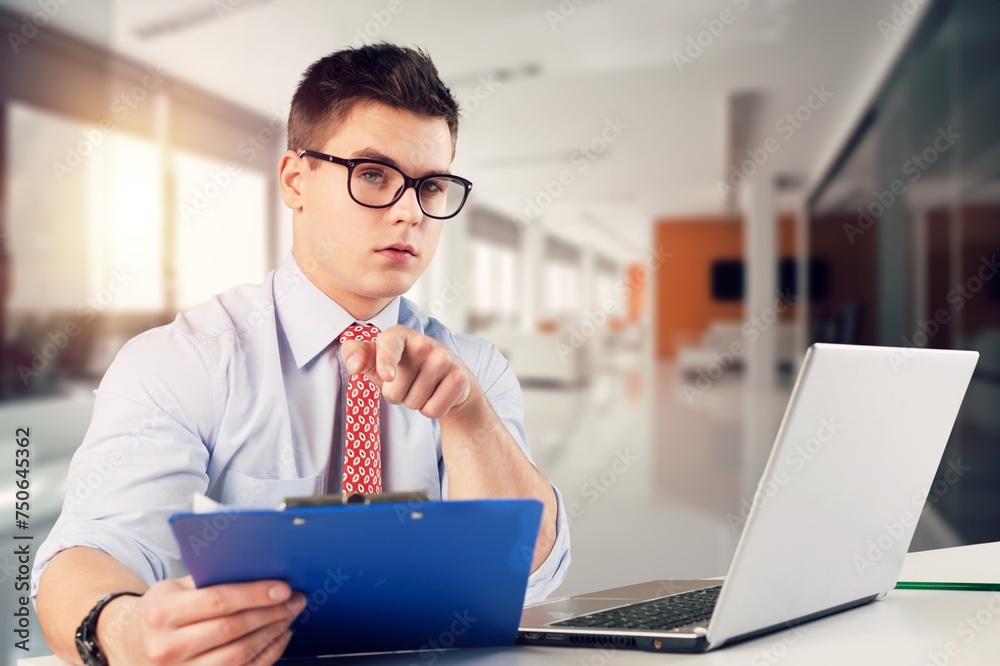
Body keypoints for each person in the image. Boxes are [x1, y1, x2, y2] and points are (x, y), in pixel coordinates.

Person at [32, 43, 570, 665]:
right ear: (294, 179)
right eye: (373, 175)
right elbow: (90, 548)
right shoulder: (183, 361)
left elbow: (529, 570)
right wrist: (125, 632)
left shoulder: (474, 369)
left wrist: (468, 416)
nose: (409, 212)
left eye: (432, 185)